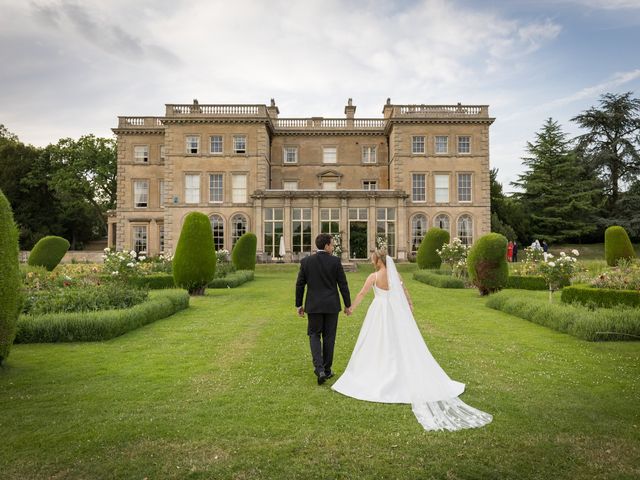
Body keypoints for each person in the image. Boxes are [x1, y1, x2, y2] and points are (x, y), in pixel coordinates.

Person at [331, 248, 492, 431]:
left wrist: (351, 308)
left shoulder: (374, 277)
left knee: (376, 342)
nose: (371, 262)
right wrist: (409, 304)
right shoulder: (395, 274)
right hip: (395, 312)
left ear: (378, 261)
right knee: (397, 341)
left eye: (373, 259)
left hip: (379, 312)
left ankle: (380, 369)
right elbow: (404, 290)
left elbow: (361, 294)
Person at [296, 234, 352, 385]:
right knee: (329, 337)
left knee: (314, 335)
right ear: (326, 246)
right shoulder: (335, 262)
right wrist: (348, 304)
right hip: (331, 306)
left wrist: (299, 305)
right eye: (332, 245)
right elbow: (343, 284)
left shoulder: (306, 262)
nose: (333, 247)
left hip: (313, 306)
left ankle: (319, 369)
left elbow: (300, 284)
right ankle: (327, 370)